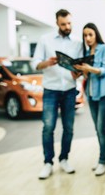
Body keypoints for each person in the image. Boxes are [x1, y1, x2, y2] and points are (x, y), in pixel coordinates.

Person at [32, 9, 83, 179]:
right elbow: (35, 64)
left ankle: (64, 159)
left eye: (69, 23)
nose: (67, 26)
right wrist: (46, 63)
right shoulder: (45, 40)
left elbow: (80, 66)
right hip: (51, 90)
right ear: (57, 23)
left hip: (69, 90)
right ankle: (48, 162)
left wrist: (78, 72)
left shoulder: (77, 42)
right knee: (48, 128)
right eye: (63, 24)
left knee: (68, 128)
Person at [74, 23, 105, 176]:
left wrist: (88, 68)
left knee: (101, 128)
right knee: (98, 129)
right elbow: (88, 76)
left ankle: (102, 161)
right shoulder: (86, 52)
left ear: (96, 34)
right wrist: (80, 71)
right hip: (91, 95)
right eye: (85, 35)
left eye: (90, 34)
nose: (88, 38)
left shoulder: (104, 48)